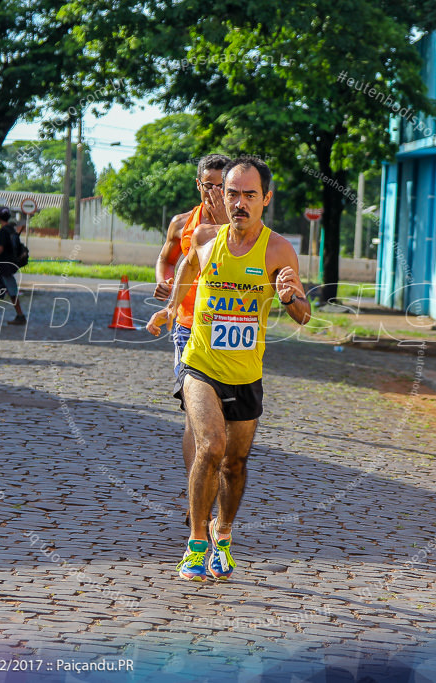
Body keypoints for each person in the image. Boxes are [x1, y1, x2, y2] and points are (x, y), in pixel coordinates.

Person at [147, 156, 311, 582]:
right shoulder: (203, 236)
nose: (238, 202)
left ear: (265, 200)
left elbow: (303, 316)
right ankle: (196, 544)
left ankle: (224, 534)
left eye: (249, 195)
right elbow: (187, 266)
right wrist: (169, 307)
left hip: (245, 372)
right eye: (232, 193)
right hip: (199, 361)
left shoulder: (278, 249)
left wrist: (290, 296)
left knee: (235, 463)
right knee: (212, 444)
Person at [154, 154, 232, 377]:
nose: (214, 193)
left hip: (227, 323)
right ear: (198, 184)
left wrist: (224, 222)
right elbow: (167, 260)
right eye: (208, 186)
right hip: (187, 322)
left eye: (221, 186)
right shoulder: (181, 223)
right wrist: (164, 282)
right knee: (190, 392)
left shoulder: (243, 226)